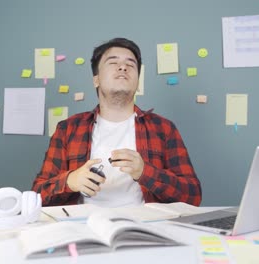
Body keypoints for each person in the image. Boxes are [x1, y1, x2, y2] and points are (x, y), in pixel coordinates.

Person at [32, 37, 202, 207]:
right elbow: (37, 196)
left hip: (145, 228)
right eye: (113, 62)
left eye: (131, 64)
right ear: (96, 79)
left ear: (137, 80)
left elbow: (193, 197)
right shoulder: (68, 129)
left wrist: (145, 172)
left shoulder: (164, 128)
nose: (123, 67)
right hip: (84, 227)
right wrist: (70, 181)